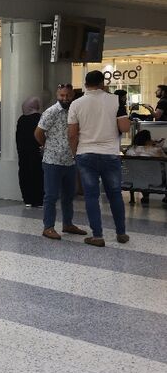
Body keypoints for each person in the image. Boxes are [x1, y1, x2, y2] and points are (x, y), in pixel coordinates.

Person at [68, 70, 131, 247]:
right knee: (115, 195)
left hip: (86, 154)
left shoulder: (76, 104)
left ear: (86, 84)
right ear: (103, 83)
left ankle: (97, 235)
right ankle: (121, 233)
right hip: (110, 154)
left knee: (91, 196)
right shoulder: (115, 100)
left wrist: (75, 153)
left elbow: (72, 134)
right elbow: (125, 127)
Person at [35, 84, 87, 240]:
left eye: (68, 96)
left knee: (69, 195)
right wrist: (47, 146)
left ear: (73, 96)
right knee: (51, 196)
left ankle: (68, 224)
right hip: (52, 161)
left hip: (70, 160)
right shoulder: (51, 112)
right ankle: (48, 227)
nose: (65, 98)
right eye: (62, 95)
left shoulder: (74, 111)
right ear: (57, 95)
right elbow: (38, 133)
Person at [125, 130, 166, 205]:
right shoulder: (156, 150)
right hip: (156, 180)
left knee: (142, 172)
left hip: (134, 179)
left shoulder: (129, 151)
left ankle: (145, 196)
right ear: (148, 140)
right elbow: (165, 161)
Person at [16, 97, 44, 207]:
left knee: (24, 174)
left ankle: (27, 199)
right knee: (38, 175)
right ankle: (38, 200)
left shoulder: (21, 119)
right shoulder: (40, 118)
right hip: (37, 153)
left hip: (23, 153)